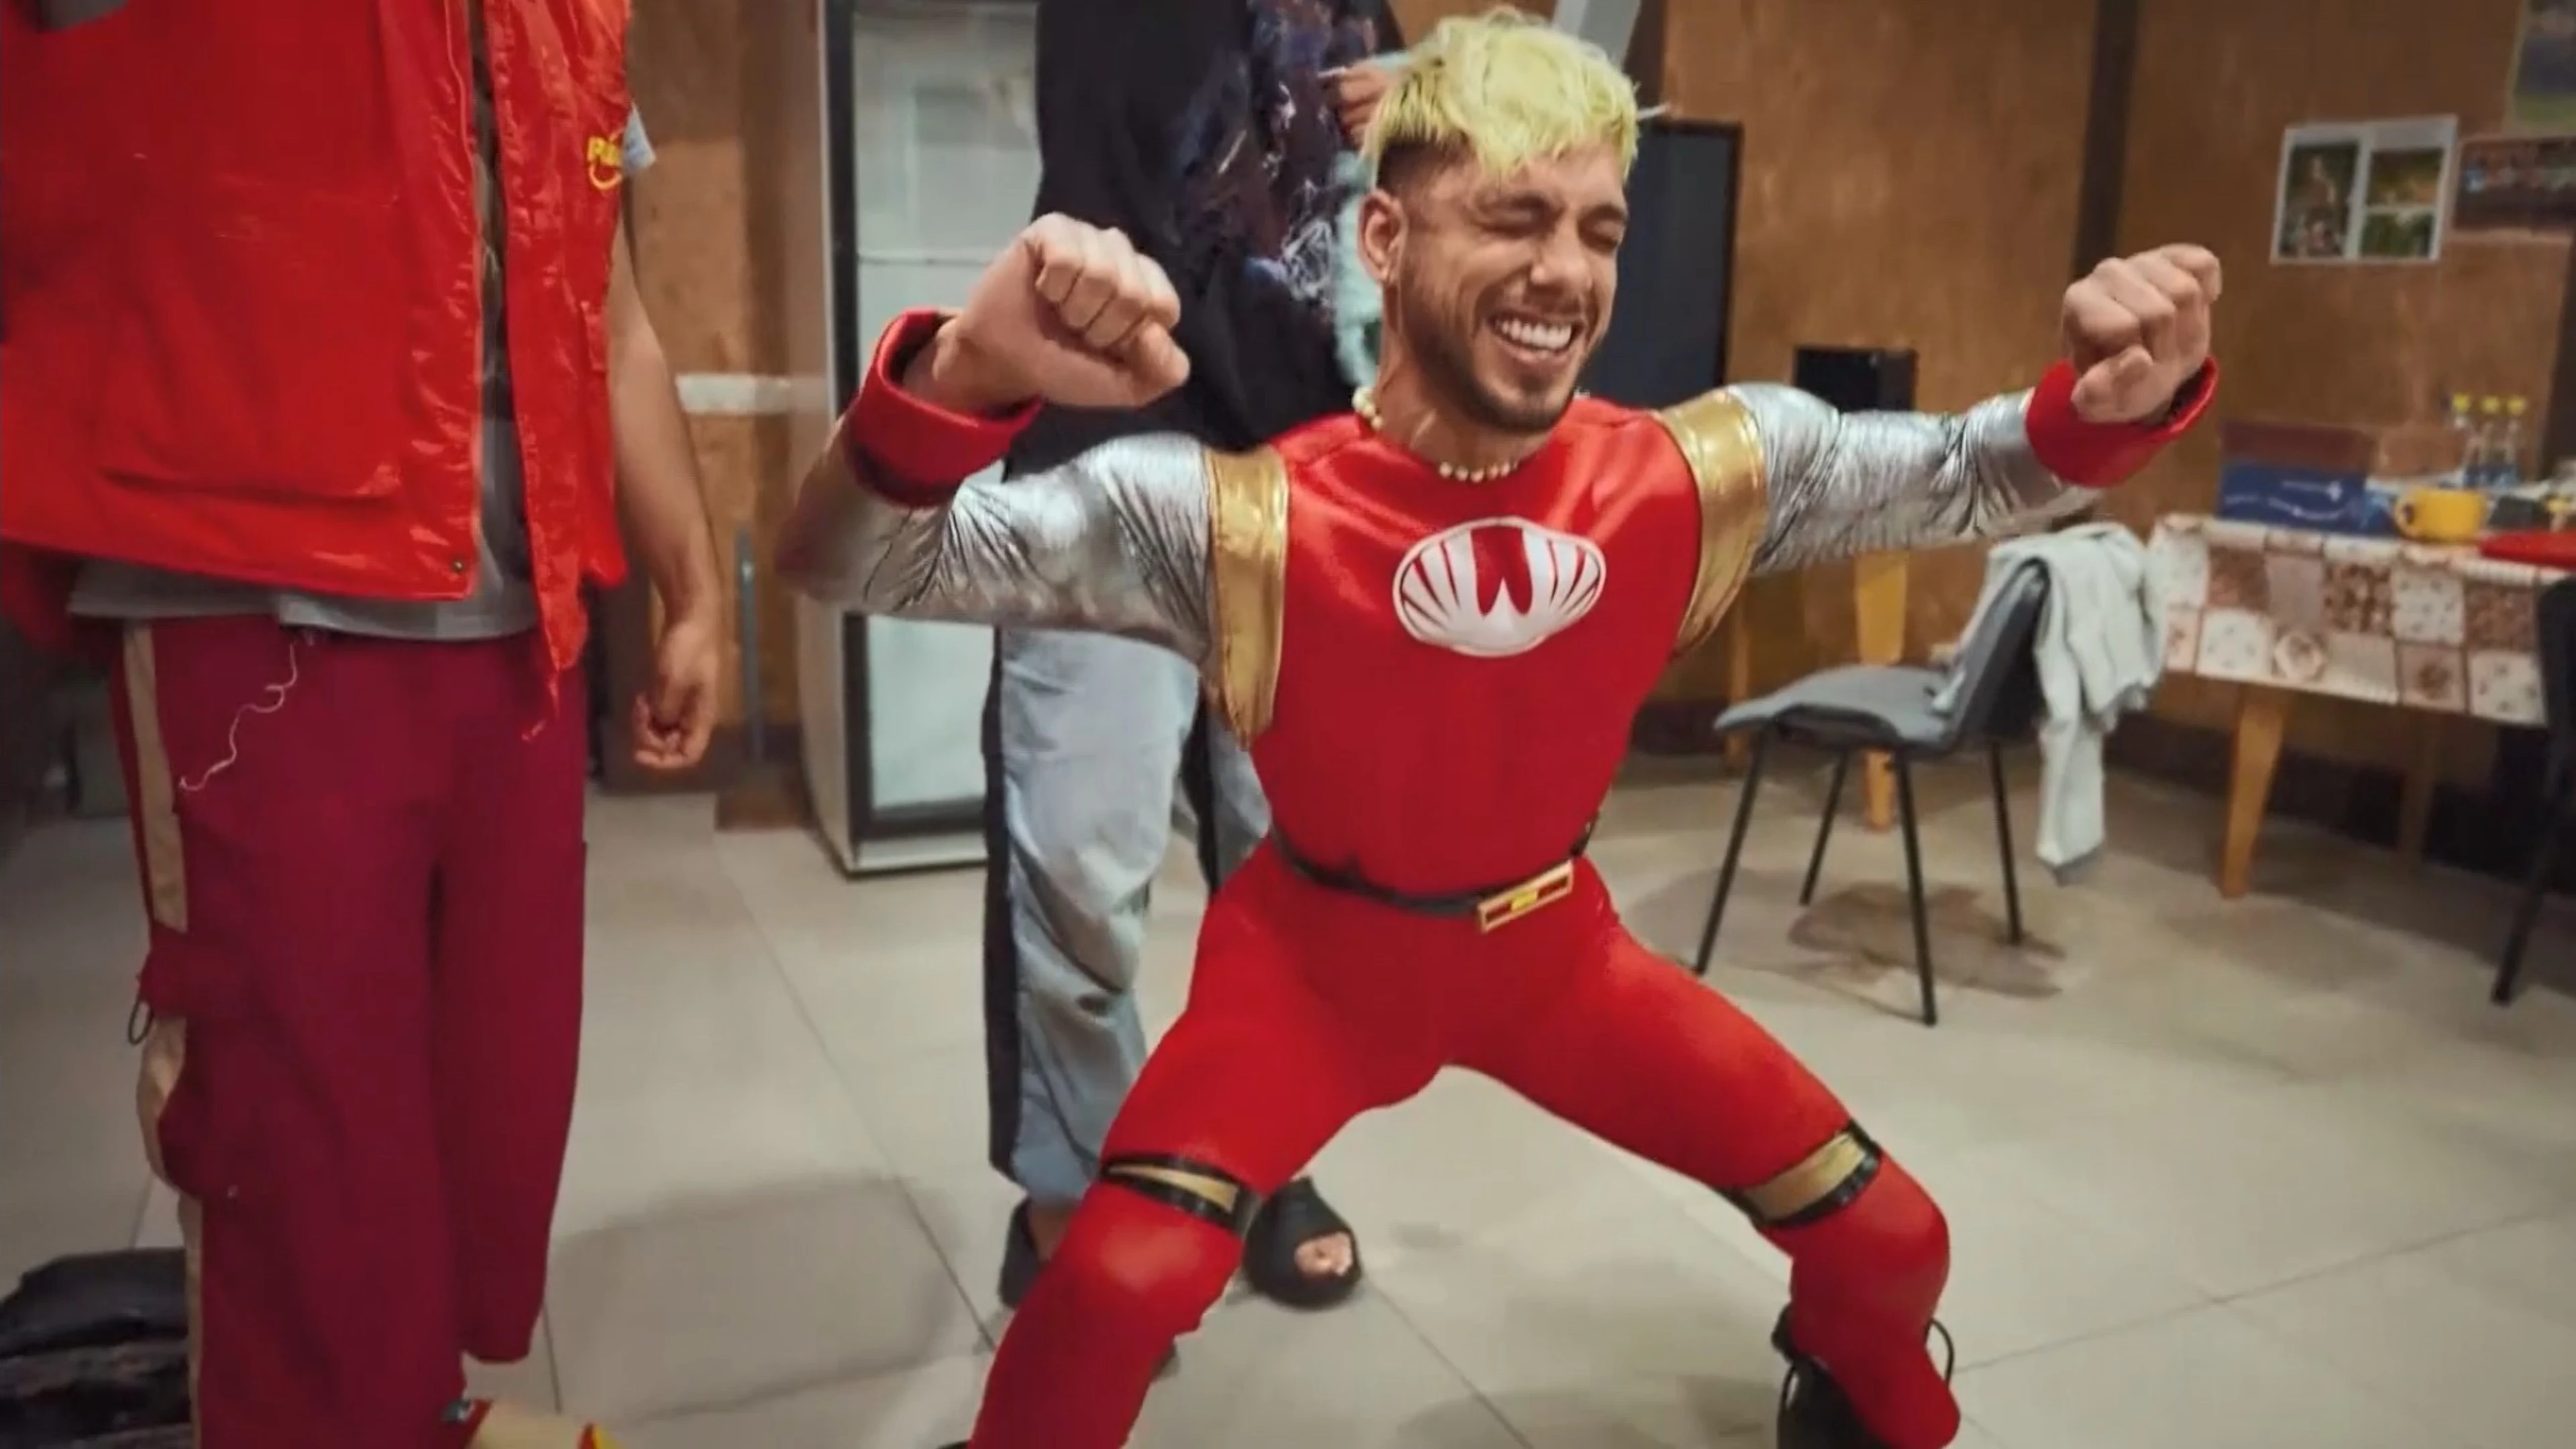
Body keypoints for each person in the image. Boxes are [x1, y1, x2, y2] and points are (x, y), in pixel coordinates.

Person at [776, 13, 2219, 1448]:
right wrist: (965, 377)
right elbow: (847, 562)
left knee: (1895, 1240)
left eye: (1599, 230)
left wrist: (2114, 403)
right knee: (1104, 1296)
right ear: (1386, 240)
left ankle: (1850, 1395)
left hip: (1552, 956)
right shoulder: (1241, 515)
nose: (1564, 272)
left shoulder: (1690, 475)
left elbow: (1975, 472)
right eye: (1514, 219)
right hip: (1309, 972)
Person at [0, 2, 720, 1446]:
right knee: (299, 1164)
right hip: (255, 611)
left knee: (483, 1130)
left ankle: (412, 1406)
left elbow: (612, 311)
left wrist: (693, 582)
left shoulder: (570, 19)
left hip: (518, 639)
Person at [976, 0, 1402, 1318]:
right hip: (1108, 443)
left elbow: (1383, 206)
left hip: (1309, 465)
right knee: (1077, 864)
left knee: (1294, 868)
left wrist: (1421, 119)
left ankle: (1266, 1156)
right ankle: (1073, 1203)